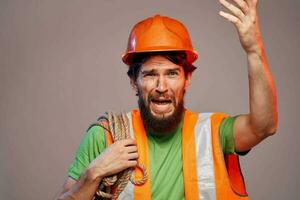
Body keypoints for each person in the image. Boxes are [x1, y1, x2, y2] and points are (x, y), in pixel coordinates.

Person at [55, 0, 278, 199]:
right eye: (150, 74)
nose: (161, 87)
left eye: (172, 74)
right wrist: (94, 173)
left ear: (187, 78)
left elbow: (264, 126)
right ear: (134, 81)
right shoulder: (106, 137)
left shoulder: (214, 132)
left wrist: (253, 50)